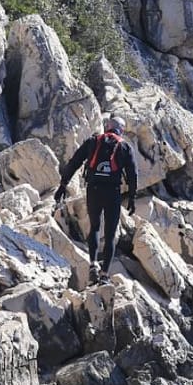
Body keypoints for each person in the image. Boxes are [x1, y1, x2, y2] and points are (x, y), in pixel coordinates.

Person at [54, 115, 138, 282]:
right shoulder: (125, 147)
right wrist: (132, 198)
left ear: (107, 127)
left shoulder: (93, 142)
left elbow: (74, 162)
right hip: (113, 193)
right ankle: (105, 275)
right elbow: (133, 174)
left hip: (94, 190)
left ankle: (93, 264)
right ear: (120, 130)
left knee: (94, 227)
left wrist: (62, 186)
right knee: (110, 233)